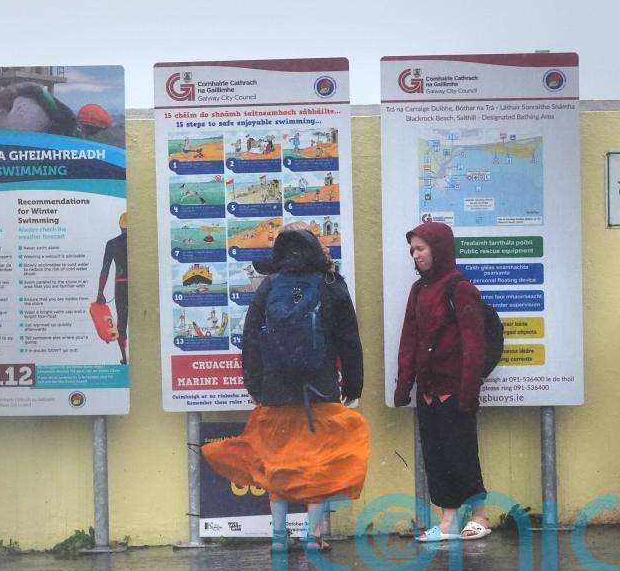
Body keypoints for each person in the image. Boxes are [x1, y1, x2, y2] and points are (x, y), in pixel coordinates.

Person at [202, 223, 367, 553]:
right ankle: (312, 535)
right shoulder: (331, 283)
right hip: (319, 387)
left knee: (278, 461)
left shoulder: (270, 286)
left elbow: (251, 337)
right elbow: (349, 338)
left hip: (276, 390)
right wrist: (353, 382)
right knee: (319, 460)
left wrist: (254, 383)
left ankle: (279, 536)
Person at [393, 220, 491, 542]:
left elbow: (474, 344)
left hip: (455, 389)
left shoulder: (460, 287)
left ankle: (478, 515)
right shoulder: (418, 289)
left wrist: (469, 391)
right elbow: (409, 338)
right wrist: (404, 384)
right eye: (412, 250)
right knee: (436, 457)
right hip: (428, 390)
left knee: (461, 452)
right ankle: (448, 521)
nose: (416, 255)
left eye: (421, 249)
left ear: (438, 249)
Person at [97, 213, 129, 364]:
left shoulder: (112, 244)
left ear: (120, 226)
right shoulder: (140, 244)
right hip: (138, 285)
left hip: (121, 284)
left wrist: (100, 292)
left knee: (121, 323)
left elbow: (105, 269)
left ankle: (125, 358)